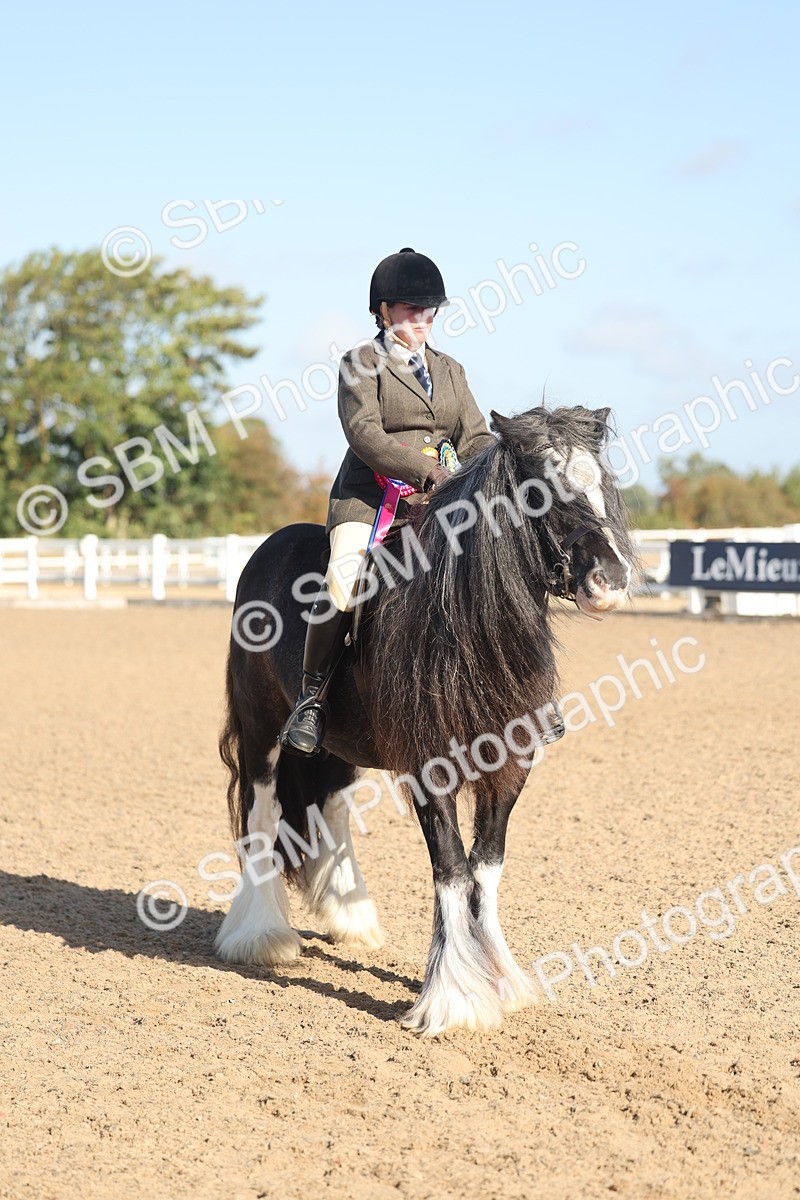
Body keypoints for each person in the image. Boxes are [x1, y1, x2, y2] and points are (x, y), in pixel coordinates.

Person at [280, 247, 496, 757]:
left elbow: (476, 435)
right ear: (383, 310)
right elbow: (365, 435)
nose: (421, 319)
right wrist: (430, 472)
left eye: (428, 310)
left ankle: (518, 699)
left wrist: (490, 470)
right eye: (408, 309)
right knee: (343, 578)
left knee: (497, 565)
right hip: (371, 499)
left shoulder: (450, 369)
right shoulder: (360, 364)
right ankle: (312, 699)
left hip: (440, 502)